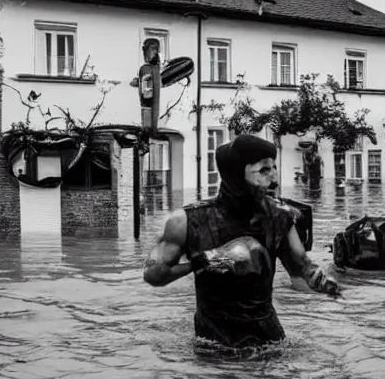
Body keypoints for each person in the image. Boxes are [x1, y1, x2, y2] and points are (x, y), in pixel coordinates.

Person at [142, 134, 340, 349]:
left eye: (274, 169)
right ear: (235, 174)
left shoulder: (280, 218)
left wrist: (337, 290)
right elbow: (153, 276)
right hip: (213, 345)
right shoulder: (186, 221)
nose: (274, 179)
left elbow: (303, 271)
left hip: (269, 344)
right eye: (264, 170)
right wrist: (201, 262)